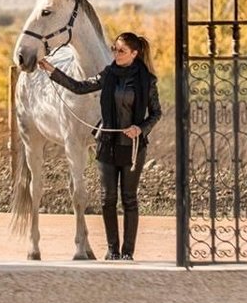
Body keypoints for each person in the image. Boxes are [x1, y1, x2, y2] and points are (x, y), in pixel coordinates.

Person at [38, 31, 161, 261]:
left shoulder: (148, 81)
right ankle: (113, 250)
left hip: (133, 147)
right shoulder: (107, 74)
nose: (116, 54)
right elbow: (79, 87)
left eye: (121, 51)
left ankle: (127, 252)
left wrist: (140, 128)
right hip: (107, 144)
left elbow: (156, 113)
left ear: (134, 54)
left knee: (129, 199)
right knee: (107, 199)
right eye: (114, 49)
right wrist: (52, 71)